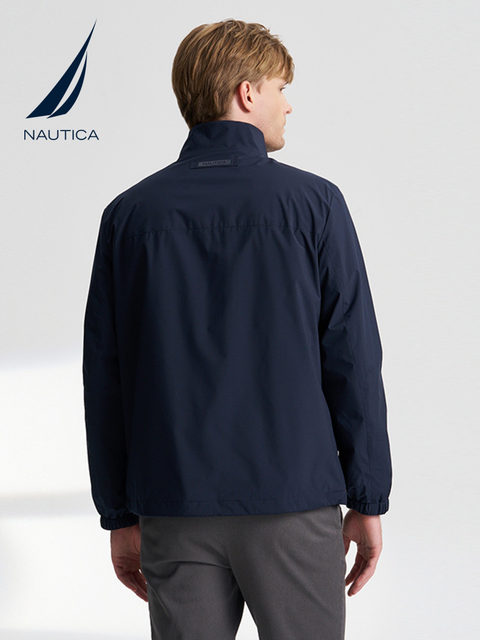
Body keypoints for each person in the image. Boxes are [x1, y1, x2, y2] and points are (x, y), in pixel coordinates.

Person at [82, 18, 393, 640]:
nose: (288, 104)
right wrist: (367, 497)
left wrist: (118, 513)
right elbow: (352, 358)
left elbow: (106, 378)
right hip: (292, 500)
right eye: (281, 88)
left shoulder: (129, 215)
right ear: (246, 93)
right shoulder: (315, 204)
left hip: (174, 502)